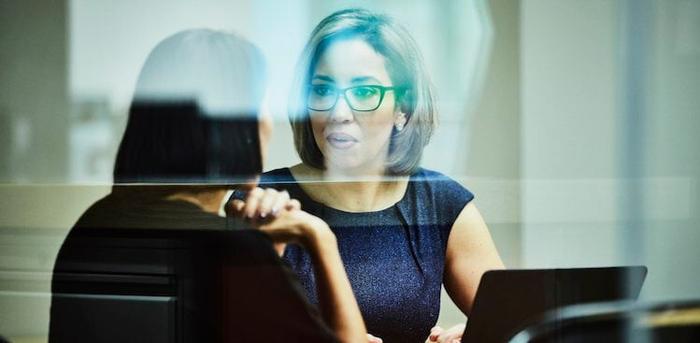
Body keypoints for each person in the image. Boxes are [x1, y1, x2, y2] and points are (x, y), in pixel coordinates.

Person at [50, 29, 366, 343]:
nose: (268, 122)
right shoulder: (225, 249)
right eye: (262, 106)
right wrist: (319, 237)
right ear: (236, 125)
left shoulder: (96, 224)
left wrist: (266, 253)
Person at [259, 8, 504, 343]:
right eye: (322, 90)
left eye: (363, 93)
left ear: (402, 108)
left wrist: (480, 337)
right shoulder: (264, 202)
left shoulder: (441, 204)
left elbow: (518, 325)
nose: (338, 113)